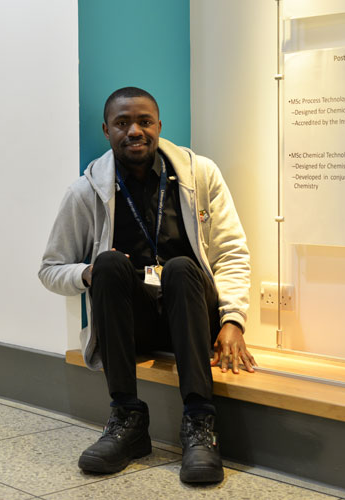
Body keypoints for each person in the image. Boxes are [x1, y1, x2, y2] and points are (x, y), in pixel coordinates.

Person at [39, 87, 255, 483]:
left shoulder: (200, 175)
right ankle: (127, 421)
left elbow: (231, 252)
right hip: (133, 325)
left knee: (179, 268)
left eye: (144, 121)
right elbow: (51, 268)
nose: (134, 130)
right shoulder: (85, 192)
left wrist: (233, 320)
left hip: (192, 316)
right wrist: (85, 274)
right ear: (107, 130)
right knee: (105, 265)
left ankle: (199, 426)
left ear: (159, 126)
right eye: (123, 123)